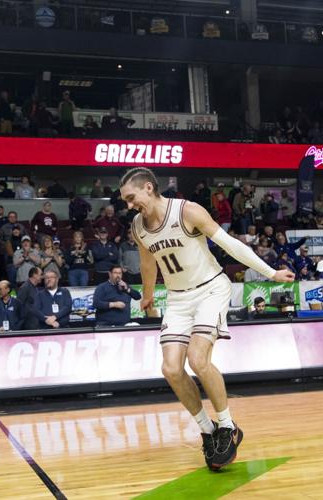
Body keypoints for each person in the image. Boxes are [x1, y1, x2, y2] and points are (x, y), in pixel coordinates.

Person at [119, 167, 294, 471]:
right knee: (171, 369)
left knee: (198, 359)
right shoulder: (138, 226)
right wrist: (148, 294)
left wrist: (271, 273)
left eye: (131, 198)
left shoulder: (187, 210)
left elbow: (230, 244)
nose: (129, 205)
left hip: (210, 290)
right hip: (177, 298)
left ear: (148, 188)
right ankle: (207, 429)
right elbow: (148, 262)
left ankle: (228, 426)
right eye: (125, 201)